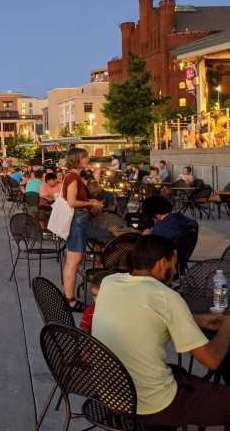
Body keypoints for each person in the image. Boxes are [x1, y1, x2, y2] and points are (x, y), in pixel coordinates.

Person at [92, 236, 230, 428]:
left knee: (184, 377)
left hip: (111, 396)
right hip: (153, 406)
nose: (174, 271)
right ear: (162, 262)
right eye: (173, 264)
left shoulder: (110, 282)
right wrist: (227, 325)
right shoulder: (167, 297)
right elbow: (212, 360)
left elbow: (142, 312)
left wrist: (196, 319)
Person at [62, 148, 103, 311]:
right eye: (86, 157)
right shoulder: (72, 177)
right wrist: (90, 203)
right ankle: (70, 300)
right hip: (77, 221)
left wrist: (88, 200)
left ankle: (69, 297)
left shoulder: (73, 176)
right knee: (73, 261)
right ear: (78, 159)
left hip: (78, 220)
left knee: (73, 261)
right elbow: (72, 202)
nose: (88, 159)